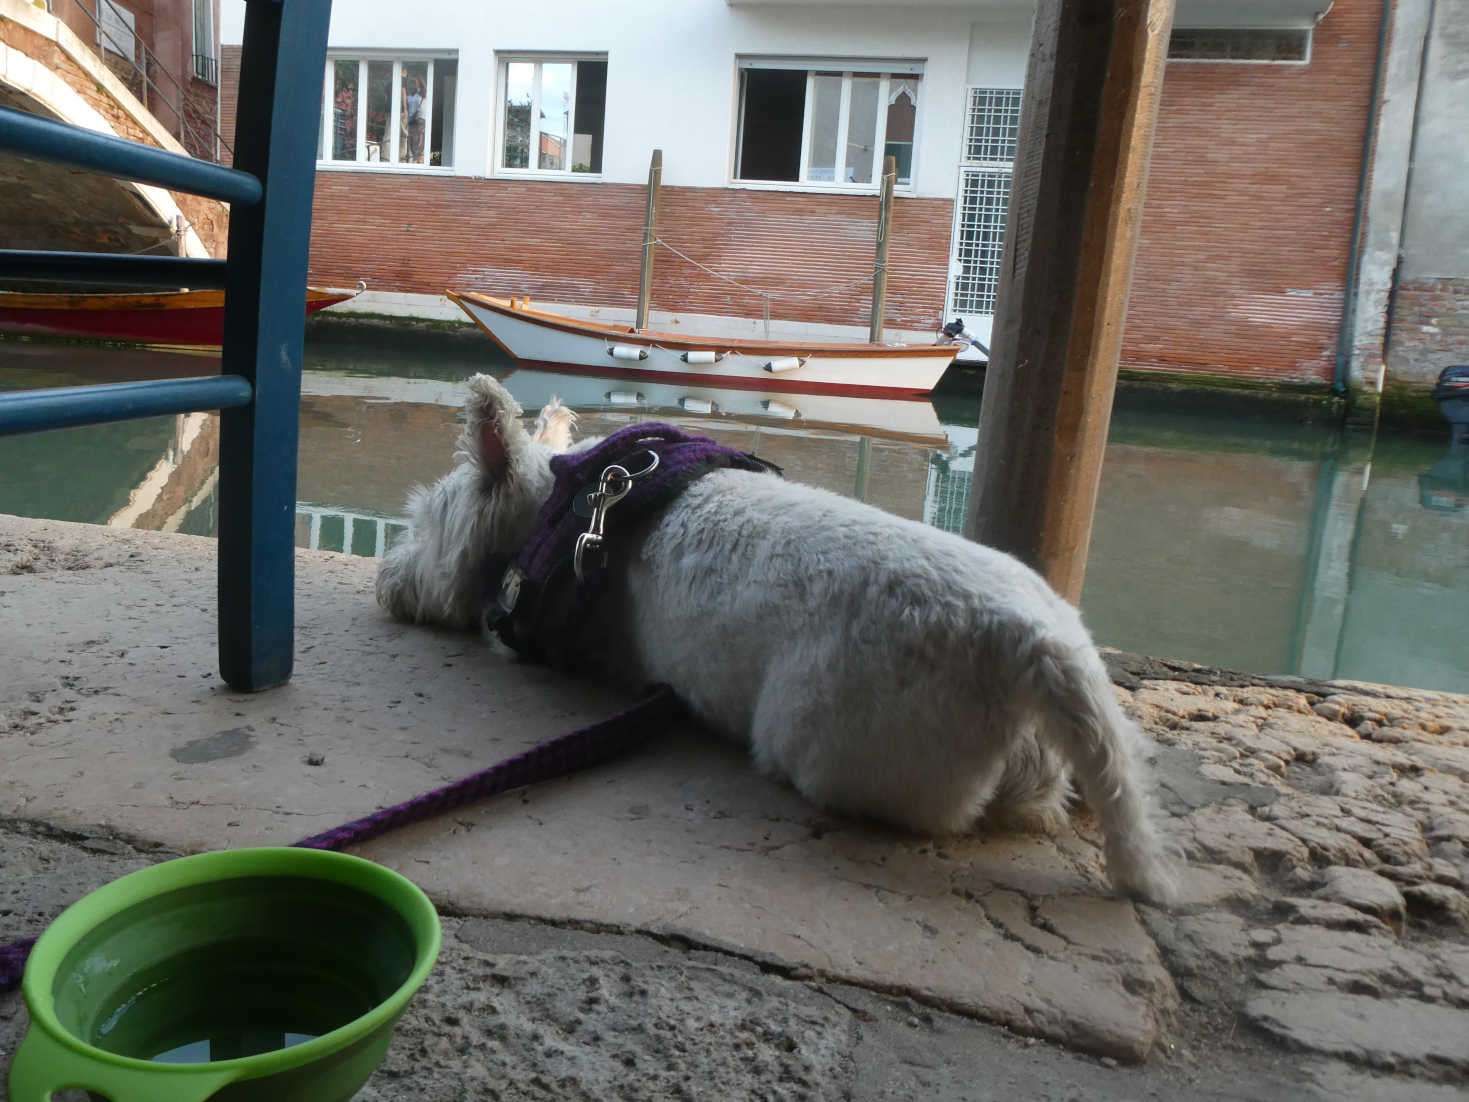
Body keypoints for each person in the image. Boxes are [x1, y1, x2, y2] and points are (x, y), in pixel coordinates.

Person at [402, 77, 425, 162]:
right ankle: (417, 161)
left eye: (414, 82)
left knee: (415, 144)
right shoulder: (420, 94)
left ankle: (416, 162)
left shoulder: (418, 95)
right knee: (417, 143)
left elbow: (413, 104)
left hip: (417, 121)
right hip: (418, 120)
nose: (413, 84)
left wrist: (405, 96)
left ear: (419, 83)